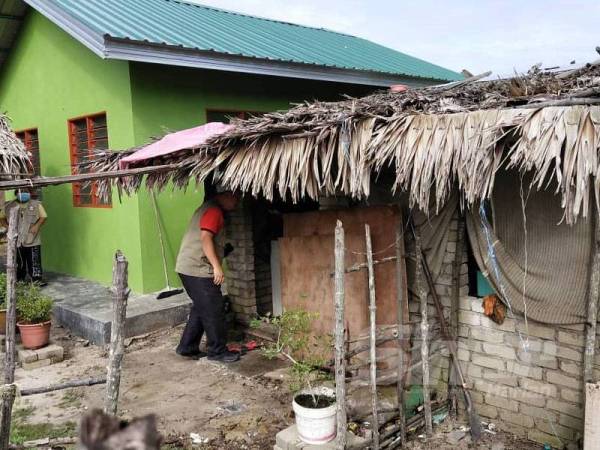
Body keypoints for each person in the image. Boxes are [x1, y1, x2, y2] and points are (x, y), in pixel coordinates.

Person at [175, 189, 240, 363]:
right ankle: (217, 351)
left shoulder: (207, 208)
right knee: (214, 309)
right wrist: (217, 267)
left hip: (187, 266)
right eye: (236, 198)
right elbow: (205, 238)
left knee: (202, 307)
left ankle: (187, 347)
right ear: (226, 196)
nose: (237, 202)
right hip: (197, 268)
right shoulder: (214, 211)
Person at [0, 189, 47, 283]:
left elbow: (44, 217)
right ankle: (19, 279)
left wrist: (36, 226)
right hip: (16, 239)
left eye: (26, 192)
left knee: (34, 260)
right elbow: (2, 218)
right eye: (21, 192)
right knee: (18, 261)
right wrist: (8, 227)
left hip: (32, 237)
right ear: (16, 194)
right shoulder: (8, 205)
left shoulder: (36, 204)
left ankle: (36, 280)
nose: (24, 194)